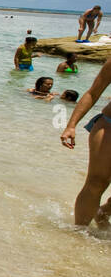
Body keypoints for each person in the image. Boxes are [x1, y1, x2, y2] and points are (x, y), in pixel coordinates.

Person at [60, 58, 111, 226]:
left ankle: (104, 212)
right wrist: (71, 125)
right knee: (96, 183)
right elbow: (93, 93)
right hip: (109, 127)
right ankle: (78, 235)